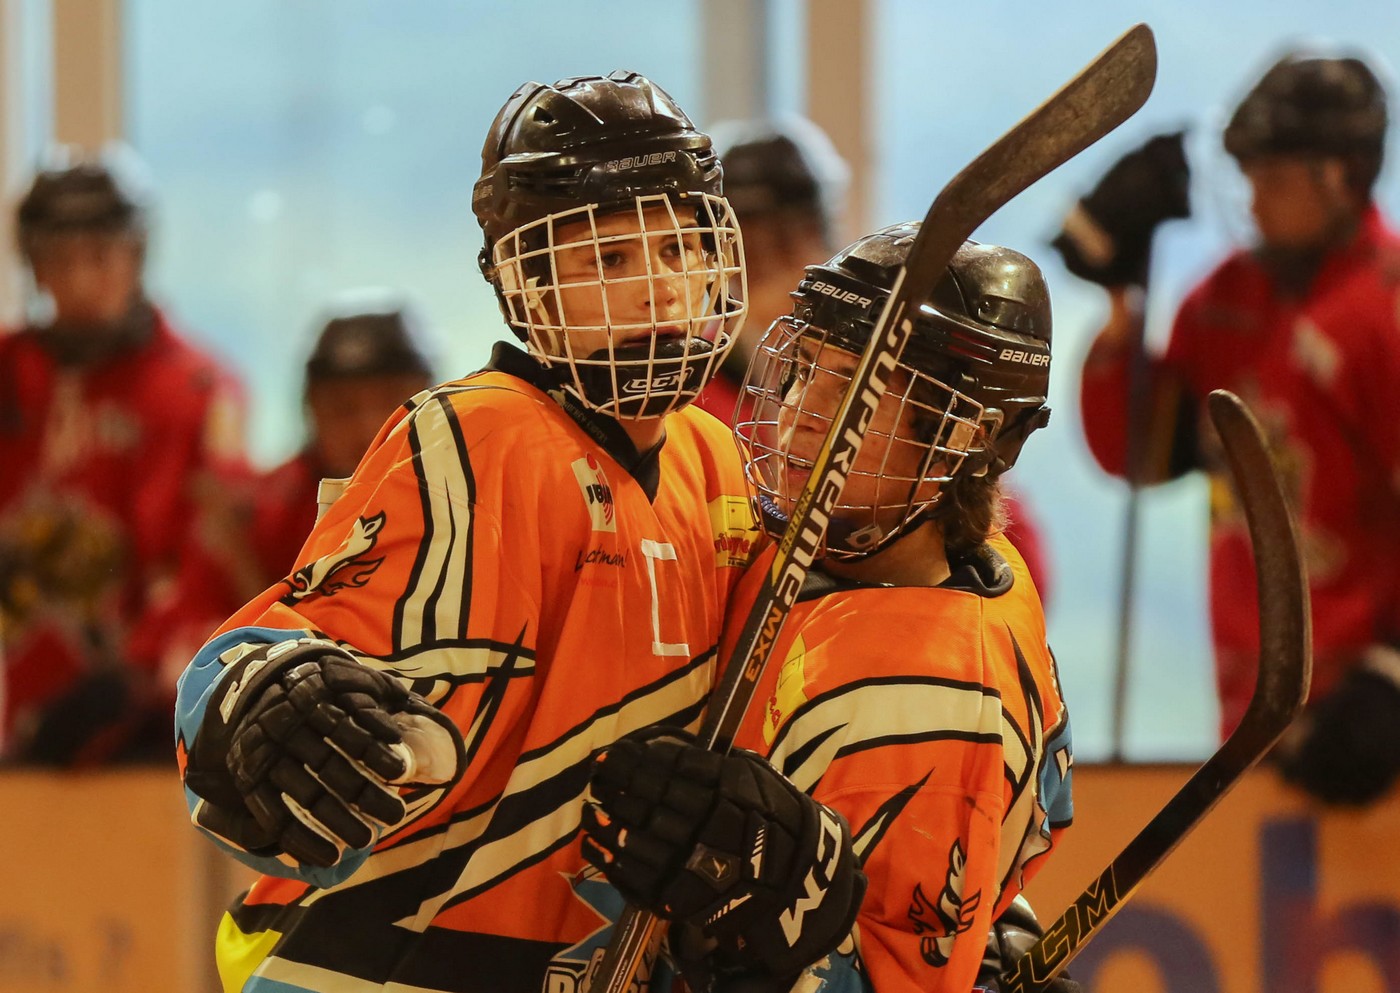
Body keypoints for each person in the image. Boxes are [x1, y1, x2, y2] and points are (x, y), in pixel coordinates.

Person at [173, 70, 792, 993]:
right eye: (609, 260)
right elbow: (289, 659)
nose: (660, 290)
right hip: (383, 966)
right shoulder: (473, 436)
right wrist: (255, 691)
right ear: (528, 282)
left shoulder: (723, 464)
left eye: (678, 248)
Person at [581, 226, 1074, 993]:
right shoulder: (851, 551)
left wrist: (774, 926)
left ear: (965, 434)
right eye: (805, 368)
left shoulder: (936, 695)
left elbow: (890, 969)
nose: (802, 411)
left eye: (851, 389)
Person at [1058, 47, 1400, 806]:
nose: (1253, 200)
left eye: (1273, 178)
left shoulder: (1387, 308)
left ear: (1342, 176)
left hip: (1370, 710)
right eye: (1247, 176)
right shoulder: (1224, 300)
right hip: (1254, 699)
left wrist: (1391, 677)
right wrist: (1120, 302)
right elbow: (1141, 457)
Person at [692, 118, 1052, 602]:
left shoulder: (904, 361)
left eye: (788, 238)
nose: (801, 411)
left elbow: (1015, 563)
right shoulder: (689, 394)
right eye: (747, 250)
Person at [0, 150, 246, 766]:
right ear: (33, 265)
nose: (81, 281)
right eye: (60, 259)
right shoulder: (8, 375)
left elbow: (212, 561)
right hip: (20, 705)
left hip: (150, 721)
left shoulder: (195, 390)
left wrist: (136, 679)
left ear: (136, 254)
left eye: (100, 256)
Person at [248, 297, 437, 589]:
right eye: (343, 407)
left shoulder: (476, 493)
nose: (368, 427)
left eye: (392, 403)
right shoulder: (264, 515)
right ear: (311, 410)